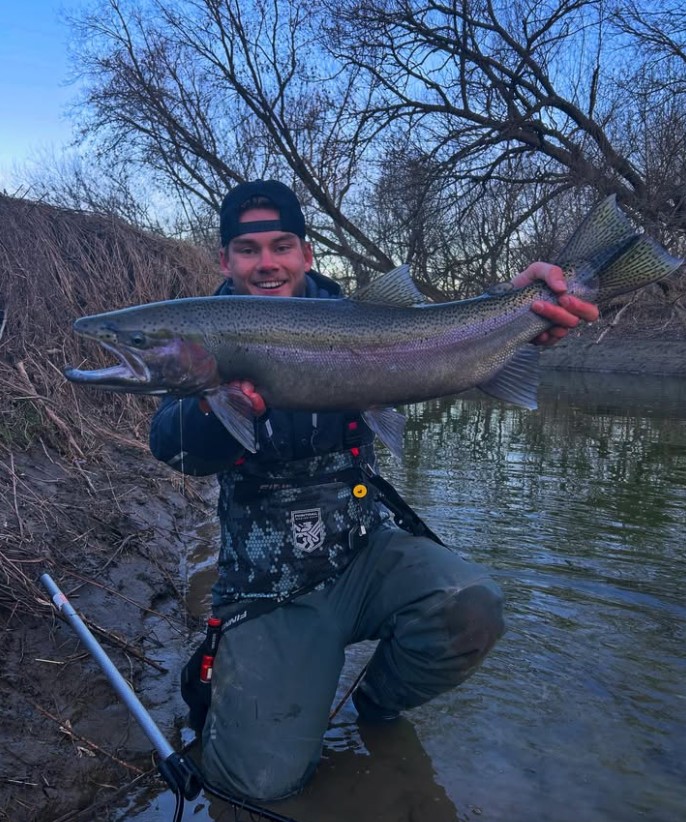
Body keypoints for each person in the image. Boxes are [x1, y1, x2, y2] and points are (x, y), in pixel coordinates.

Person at [149, 180, 599, 802]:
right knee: (256, 785)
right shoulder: (206, 332)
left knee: (473, 605)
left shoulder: (364, 316)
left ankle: (376, 704)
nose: (267, 262)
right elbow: (170, 444)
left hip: (365, 550)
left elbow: (450, 330)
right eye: (248, 249)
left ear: (306, 253)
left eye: (282, 245)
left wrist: (524, 313)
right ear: (225, 260)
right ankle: (251, 689)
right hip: (269, 586)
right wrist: (216, 407)